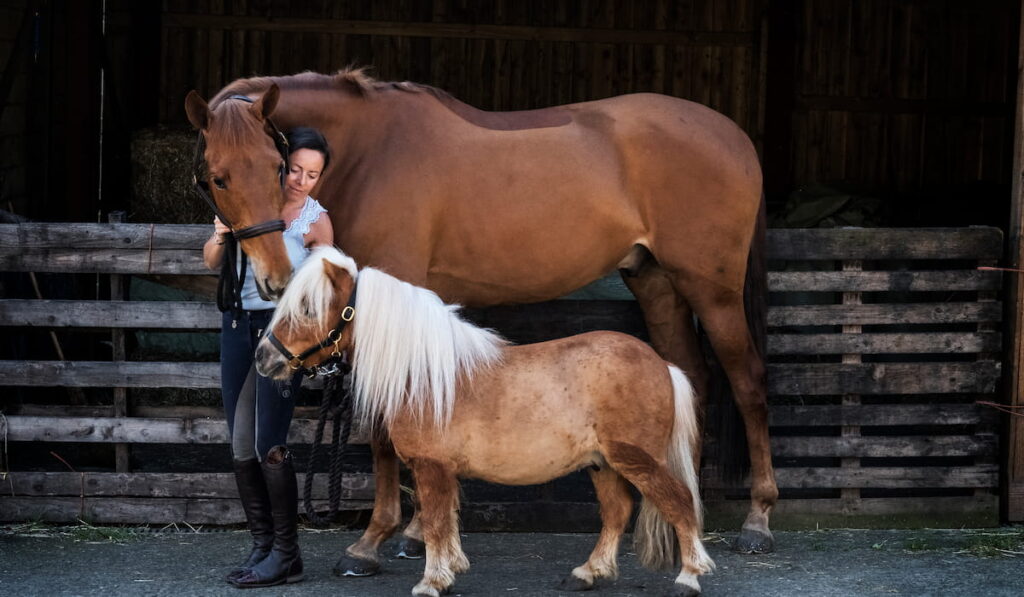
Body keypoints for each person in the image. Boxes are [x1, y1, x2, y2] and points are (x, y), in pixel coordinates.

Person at [202, 127, 334, 588]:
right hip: (237, 327)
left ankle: (287, 554)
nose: (300, 180)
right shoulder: (248, 201)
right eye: (294, 169)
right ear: (279, 164)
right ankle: (262, 545)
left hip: (282, 334)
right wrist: (221, 234)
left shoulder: (316, 221)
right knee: (240, 444)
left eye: (311, 174)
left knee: (268, 443)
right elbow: (211, 261)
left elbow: (327, 287)